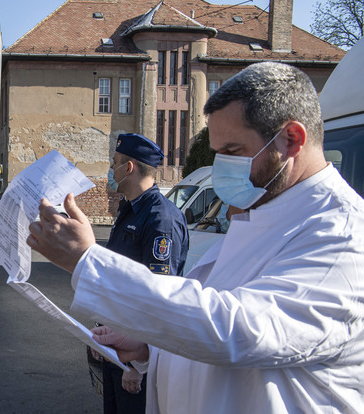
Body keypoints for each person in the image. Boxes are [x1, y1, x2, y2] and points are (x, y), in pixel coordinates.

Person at [27, 61, 364, 413]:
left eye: (232, 152)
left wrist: (87, 260)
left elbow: (238, 331)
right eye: (217, 153)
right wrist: (150, 348)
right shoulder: (267, 213)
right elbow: (209, 325)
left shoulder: (341, 235)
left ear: (292, 139)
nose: (221, 167)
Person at [99, 133, 188, 414]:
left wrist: (137, 365)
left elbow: (159, 296)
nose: (110, 171)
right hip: (116, 348)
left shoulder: (160, 218)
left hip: (137, 359)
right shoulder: (130, 210)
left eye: (114, 164)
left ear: (129, 168)